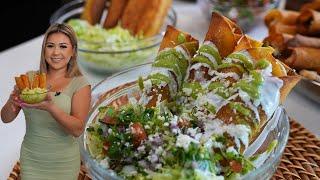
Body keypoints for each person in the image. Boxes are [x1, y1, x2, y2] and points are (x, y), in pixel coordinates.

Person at [0, 23, 91, 179]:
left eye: (63, 46)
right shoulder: (29, 79)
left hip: (64, 161)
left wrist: (51, 107)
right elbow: (5, 118)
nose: (56, 52)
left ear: (73, 51)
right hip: (31, 157)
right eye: (50, 46)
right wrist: (12, 100)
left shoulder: (80, 84)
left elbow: (77, 129)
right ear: (44, 49)